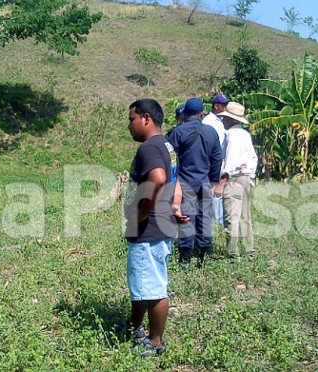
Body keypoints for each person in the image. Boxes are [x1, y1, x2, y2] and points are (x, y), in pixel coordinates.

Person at [123, 98, 187, 356]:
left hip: (148, 229)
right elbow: (175, 178)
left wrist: (140, 215)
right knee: (142, 283)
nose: (129, 125)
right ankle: (133, 326)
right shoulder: (168, 145)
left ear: (146, 118)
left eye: (131, 119)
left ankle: (156, 342)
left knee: (154, 289)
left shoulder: (148, 148)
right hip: (161, 225)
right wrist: (175, 205)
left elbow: (159, 178)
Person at [166, 97, 223, 270]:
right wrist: (213, 180)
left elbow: (170, 158)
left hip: (184, 183)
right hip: (204, 182)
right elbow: (217, 159)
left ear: (185, 113)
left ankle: (185, 261)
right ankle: (203, 258)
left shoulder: (178, 132)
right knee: (205, 218)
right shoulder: (211, 132)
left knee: (186, 219)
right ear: (202, 112)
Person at [215, 102, 258, 261]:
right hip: (246, 178)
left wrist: (221, 183)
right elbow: (254, 158)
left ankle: (232, 254)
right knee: (245, 217)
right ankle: (249, 251)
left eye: (226, 118)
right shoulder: (246, 135)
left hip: (233, 179)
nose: (224, 121)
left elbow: (230, 161)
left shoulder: (231, 136)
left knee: (231, 218)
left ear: (231, 120)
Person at [202, 94, 229, 225]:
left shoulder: (223, 121)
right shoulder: (208, 122)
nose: (225, 107)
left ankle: (218, 220)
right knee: (214, 193)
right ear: (216, 106)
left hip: (222, 161)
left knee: (220, 193)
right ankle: (215, 222)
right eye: (223, 105)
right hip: (212, 162)